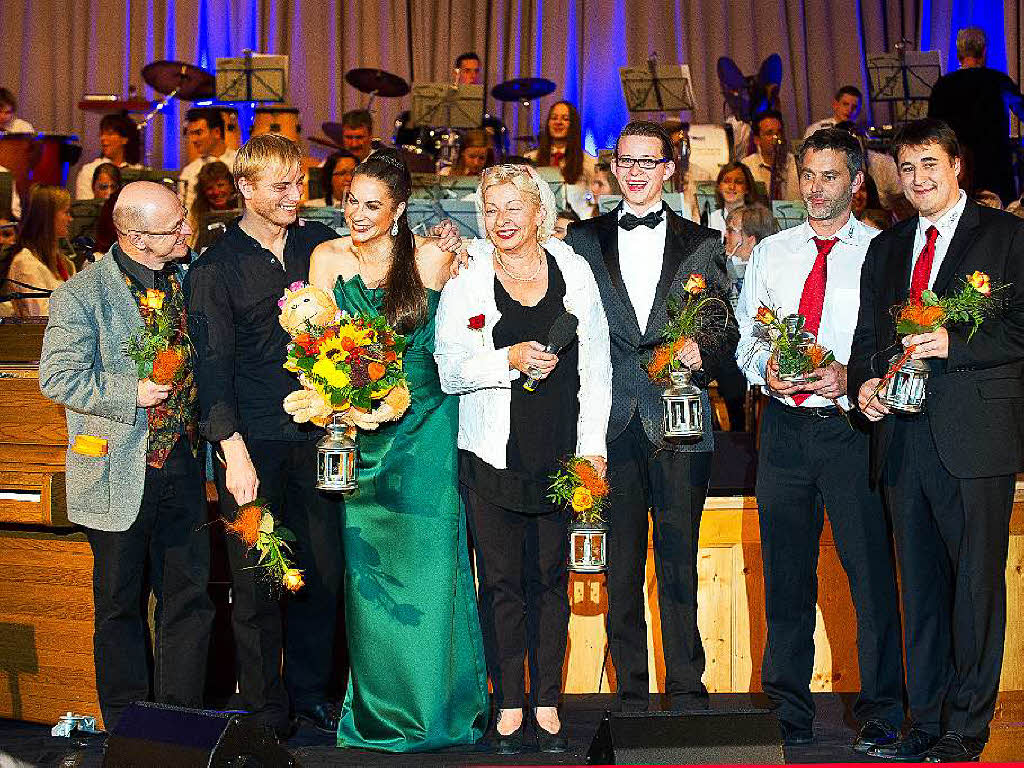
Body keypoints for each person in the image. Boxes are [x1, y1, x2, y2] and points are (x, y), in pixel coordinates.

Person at [850, 117, 1024, 762]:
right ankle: (923, 721)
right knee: (918, 589)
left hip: (974, 437)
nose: (918, 179)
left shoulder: (1005, 237)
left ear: (957, 167)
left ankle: (966, 727)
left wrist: (958, 345)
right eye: (907, 167)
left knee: (976, 588)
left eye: (930, 165)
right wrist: (864, 385)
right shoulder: (886, 248)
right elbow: (869, 339)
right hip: (902, 436)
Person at [306, 149, 488, 751]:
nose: (357, 214)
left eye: (371, 205)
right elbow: (316, 352)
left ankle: (443, 710)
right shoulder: (326, 258)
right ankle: (380, 713)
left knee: (434, 569)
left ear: (398, 209)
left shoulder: (431, 255)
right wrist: (340, 403)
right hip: (359, 435)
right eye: (351, 201)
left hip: (426, 428)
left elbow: (478, 305)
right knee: (370, 578)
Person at [735, 128, 905, 748]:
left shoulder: (885, 252)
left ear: (857, 183)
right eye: (807, 175)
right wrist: (763, 371)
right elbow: (746, 341)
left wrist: (849, 376)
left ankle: (884, 706)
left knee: (868, 572)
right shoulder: (772, 253)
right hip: (781, 432)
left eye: (829, 176)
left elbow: (896, 343)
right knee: (785, 574)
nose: (815, 187)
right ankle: (788, 708)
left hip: (850, 430)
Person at [435, 164, 611, 753]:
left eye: (514, 207)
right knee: (502, 584)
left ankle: (548, 700)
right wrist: (504, 360)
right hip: (491, 457)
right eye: (491, 208)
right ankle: (509, 698)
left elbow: (598, 368)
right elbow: (449, 368)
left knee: (551, 583)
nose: (501, 220)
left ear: (540, 211)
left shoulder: (574, 269)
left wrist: (592, 450)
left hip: (561, 453)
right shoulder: (469, 278)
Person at [564, 121, 739, 712]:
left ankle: (688, 688)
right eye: (626, 161)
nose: (636, 172)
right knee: (618, 567)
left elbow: (724, 327)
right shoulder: (582, 241)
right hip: (608, 420)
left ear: (669, 169)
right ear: (614, 168)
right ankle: (631, 693)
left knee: (679, 559)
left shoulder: (701, 242)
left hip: (680, 420)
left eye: (649, 161)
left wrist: (703, 350)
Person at [39, 181, 213, 729]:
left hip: (183, 466)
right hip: (116, 471)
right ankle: (129, 725)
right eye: (172, 228)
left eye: (183, 221)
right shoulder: (81, 294)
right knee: (119, 604)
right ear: (136, 236)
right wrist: (127, 390)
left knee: (189, 599)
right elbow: (57, 378)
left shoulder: (190, 279)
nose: (186, 232)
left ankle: (179, 723)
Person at [187, 134, 343, 738]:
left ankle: (311, 695)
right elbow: (211, 372)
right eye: (279, 185)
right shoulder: (216, 268)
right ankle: (264, 709)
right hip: (252, 447)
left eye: (298, 182)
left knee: (322, 573)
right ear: (245, 188)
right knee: (255, 582)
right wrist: (232, 454)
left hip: (320, 439)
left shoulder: (318, 246)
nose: (293, 195)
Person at [929, 27, 1023, 204]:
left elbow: (933, 131)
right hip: (995, 169)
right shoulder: (998, 80)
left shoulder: (942, 85)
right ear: (984, 51)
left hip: (958, 171)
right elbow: (1021, 108)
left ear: (959, 54)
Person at [0, 185, 74, 317]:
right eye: (66, 212)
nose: (70, 219)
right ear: (48, 217)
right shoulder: (25, 263)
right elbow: (40, 318)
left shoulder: (64, 262)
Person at [527, 101, 596, 218]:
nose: (558, 122)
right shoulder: (531, 158)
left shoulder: (589, 162)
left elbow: (596, 200)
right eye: (554, 118)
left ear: (573, 125)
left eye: (565, 119)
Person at [179, 108, 238, 210]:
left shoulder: (242, 162)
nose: (193, 140)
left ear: (216, 132)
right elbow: (187, 212)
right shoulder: (190, 172)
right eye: (191, 134)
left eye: (198, 133)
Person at [75, 114, 141, 200]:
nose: (103, 138)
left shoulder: (137, 170)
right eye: (102, 134)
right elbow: (84, 205)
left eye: (110, 134)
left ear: (124, 139)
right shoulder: (89, 170)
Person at [742, 109, 800, 201]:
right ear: (757, 140)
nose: (776, 138)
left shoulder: (796, 164)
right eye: (769, 133)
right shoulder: (747, 166)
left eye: (779, 133)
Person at [186, 161, 237, 249]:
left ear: (232, 186)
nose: (216, 192)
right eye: (209, 188)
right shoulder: (195, 214)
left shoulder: (245, 209)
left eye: (220, 185)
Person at [707, 161, 760, 237]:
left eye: (738, 182)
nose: (731, 187)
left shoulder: (757, 220)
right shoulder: (711, 219)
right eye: (726, 181)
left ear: (747, 188)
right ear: (719, 186)